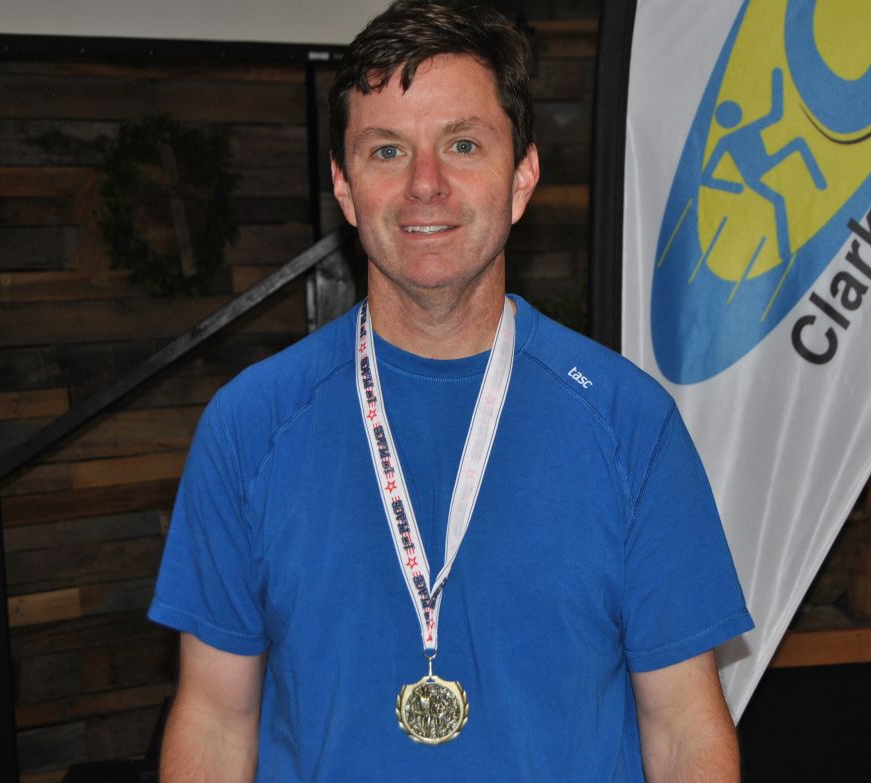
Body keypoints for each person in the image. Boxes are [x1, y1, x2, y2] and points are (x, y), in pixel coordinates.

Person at [149, 1, 754, 781]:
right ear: (344, 186)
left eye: (462, 144)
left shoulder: (630, 425)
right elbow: (213, 719)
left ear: (522, 176)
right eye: (387, 150)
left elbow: (683, 731)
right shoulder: (249, 426)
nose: (425, 184)